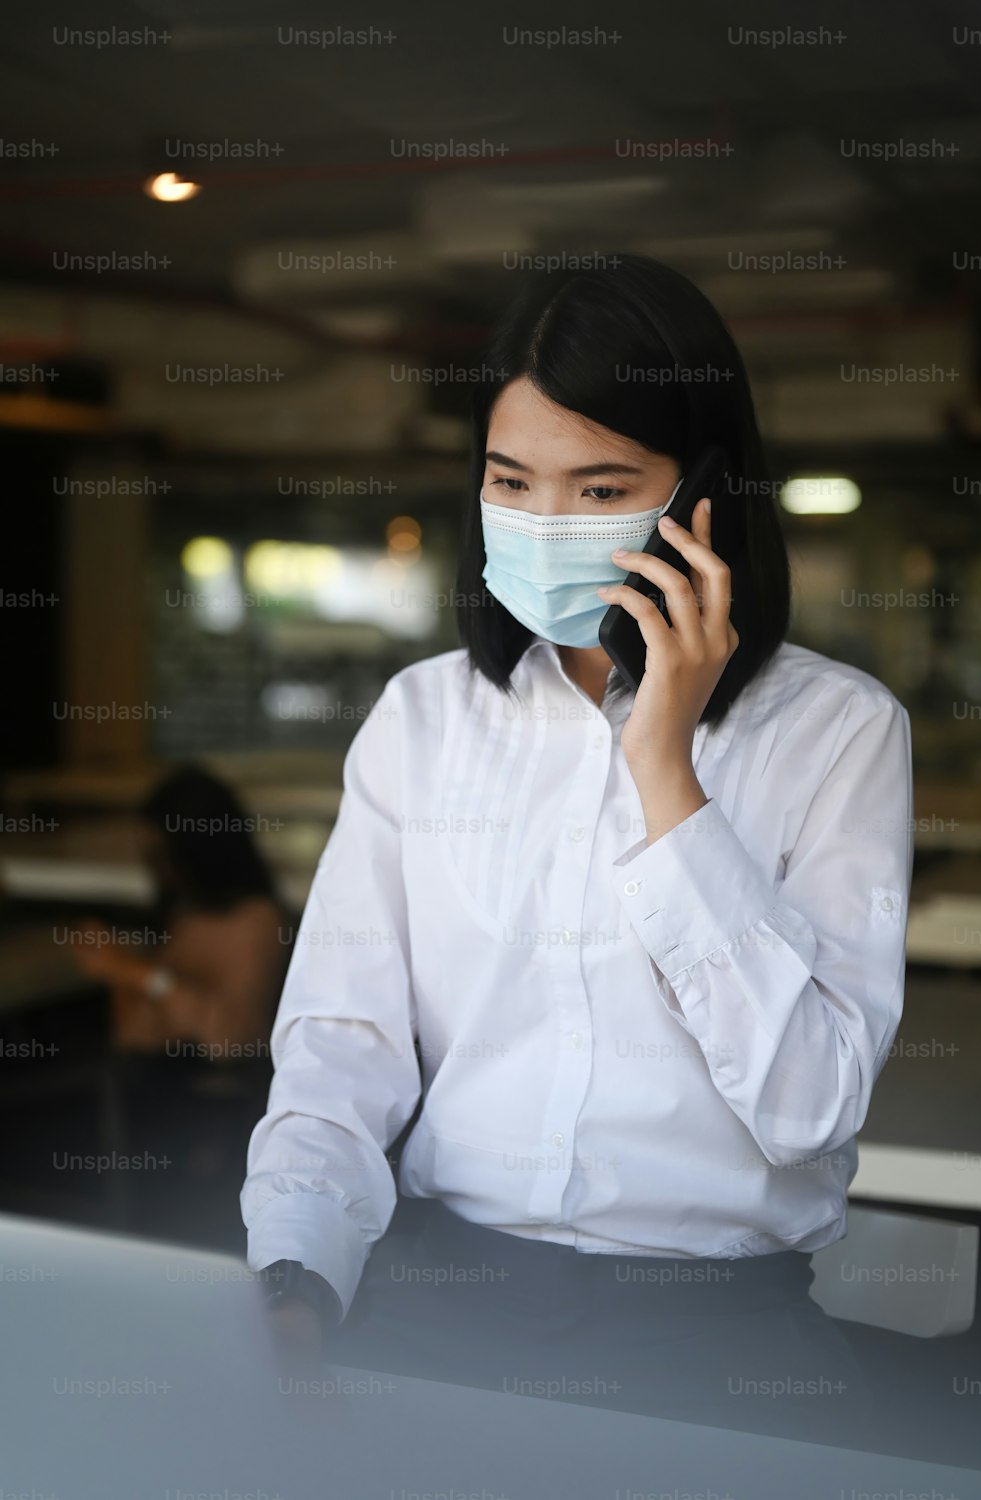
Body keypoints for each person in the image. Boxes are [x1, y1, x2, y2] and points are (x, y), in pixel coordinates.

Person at [243, 255, 913, 1444]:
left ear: (704, 491)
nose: (547, 522)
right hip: (438, 1292)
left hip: (715, 1332)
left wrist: (664, 766)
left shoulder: (837, 731)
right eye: (513, 480)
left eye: (602, 490)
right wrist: (295, 1276)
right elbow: (340, 1046)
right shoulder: (423, 716)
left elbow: (811, 1106)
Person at [72, 765, 289, 1245]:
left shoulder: (258, 920)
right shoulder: (182, 910)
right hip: (148, 1088)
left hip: (203, 1107)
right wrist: (120, 973)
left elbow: (229, 1040)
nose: (159, 870)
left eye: (164, 856)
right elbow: (132, 1033)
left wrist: (135, 972)